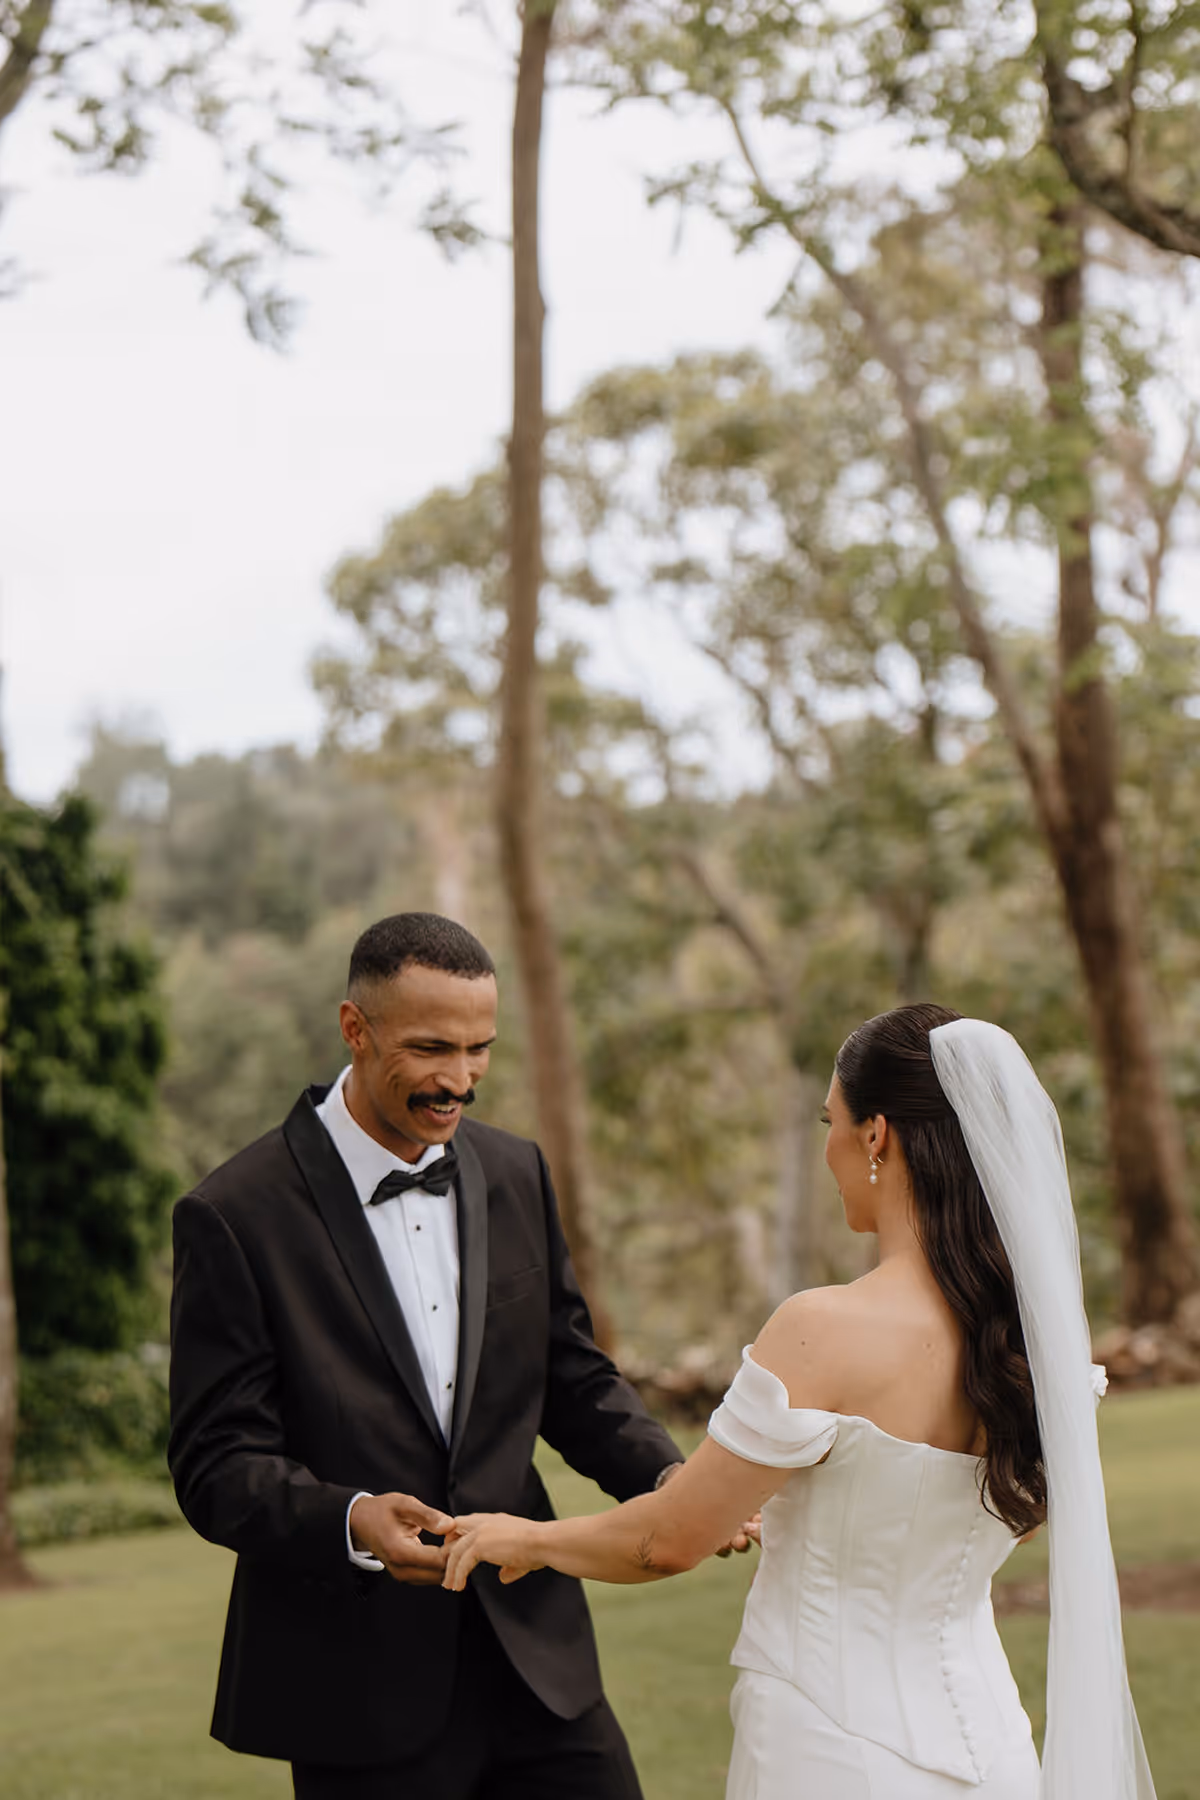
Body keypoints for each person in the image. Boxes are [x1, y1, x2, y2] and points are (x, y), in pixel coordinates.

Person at [446, 1003, 1157, 1800]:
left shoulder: (824, 1328)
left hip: (828, 1751)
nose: (829, 1147)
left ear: (877, 1136)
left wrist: (529, 1538)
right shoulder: (1032, 1349)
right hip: (994, 1754)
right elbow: (995, 1523)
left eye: (831, 1121)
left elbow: (668, 1542)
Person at [168, 911, 691, 1800]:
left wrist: (670, 1480)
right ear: (355, 1028)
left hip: (539, 1663)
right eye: (431, 1049)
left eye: (479, 1048)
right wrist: (350, 1518)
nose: (459, 1079)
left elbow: (570, 1374)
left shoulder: (514, 1171)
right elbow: (215, 1464)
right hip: (359, 1690)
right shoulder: (234, 1214)